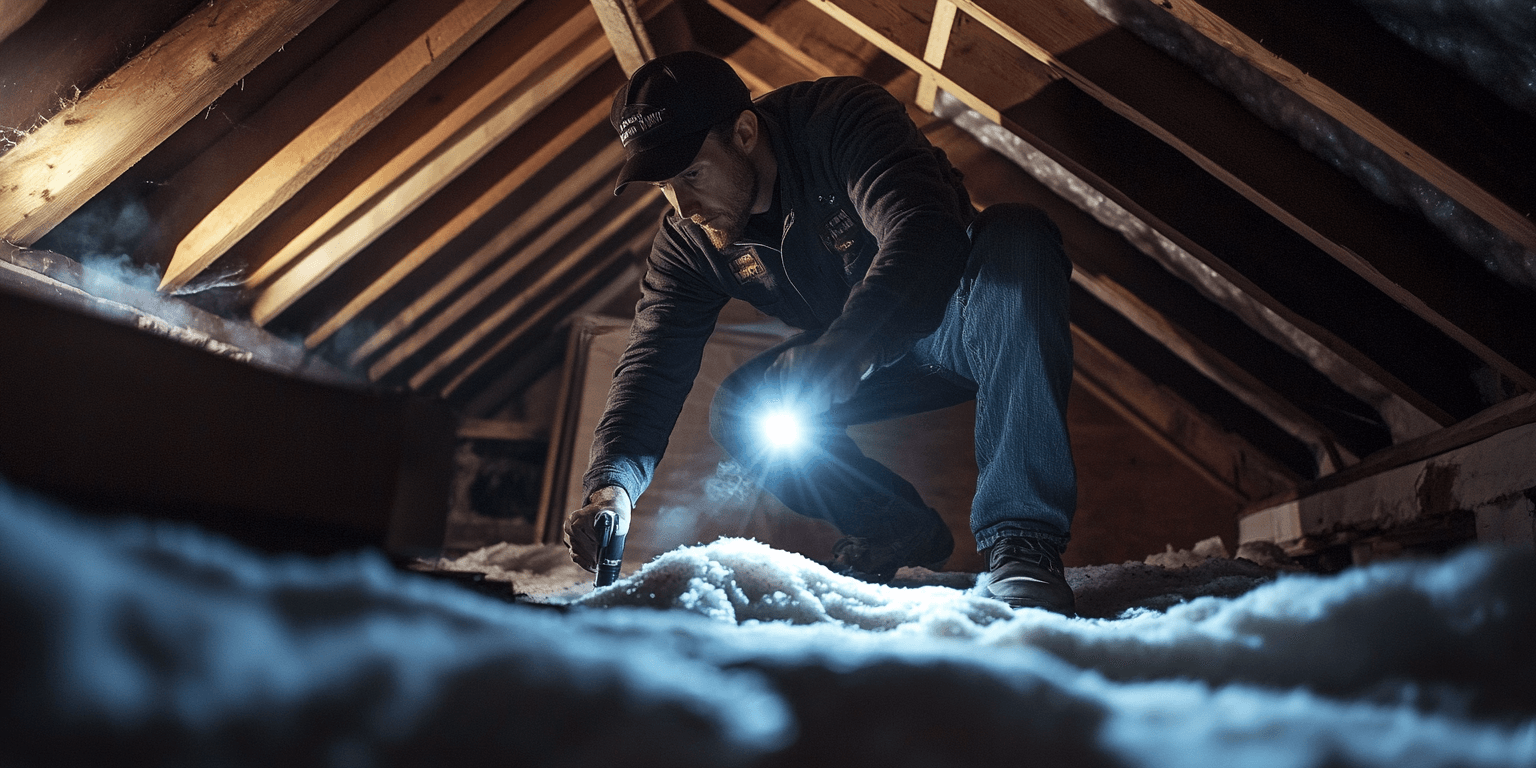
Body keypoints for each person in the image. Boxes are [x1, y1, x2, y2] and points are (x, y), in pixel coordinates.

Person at [563, 51, 1078, 615]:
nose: (683, 205)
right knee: (742, 408)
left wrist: (845, 348)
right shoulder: (689, 244)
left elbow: (924, 232)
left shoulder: (840, 119)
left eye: (690, 174)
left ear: (743, 131)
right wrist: (611, 485)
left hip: (962, 318)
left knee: (1018, 236)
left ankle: (1024, 544)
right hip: (864, 355)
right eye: (664, 185)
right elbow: (651, 364)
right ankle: (893, 527)